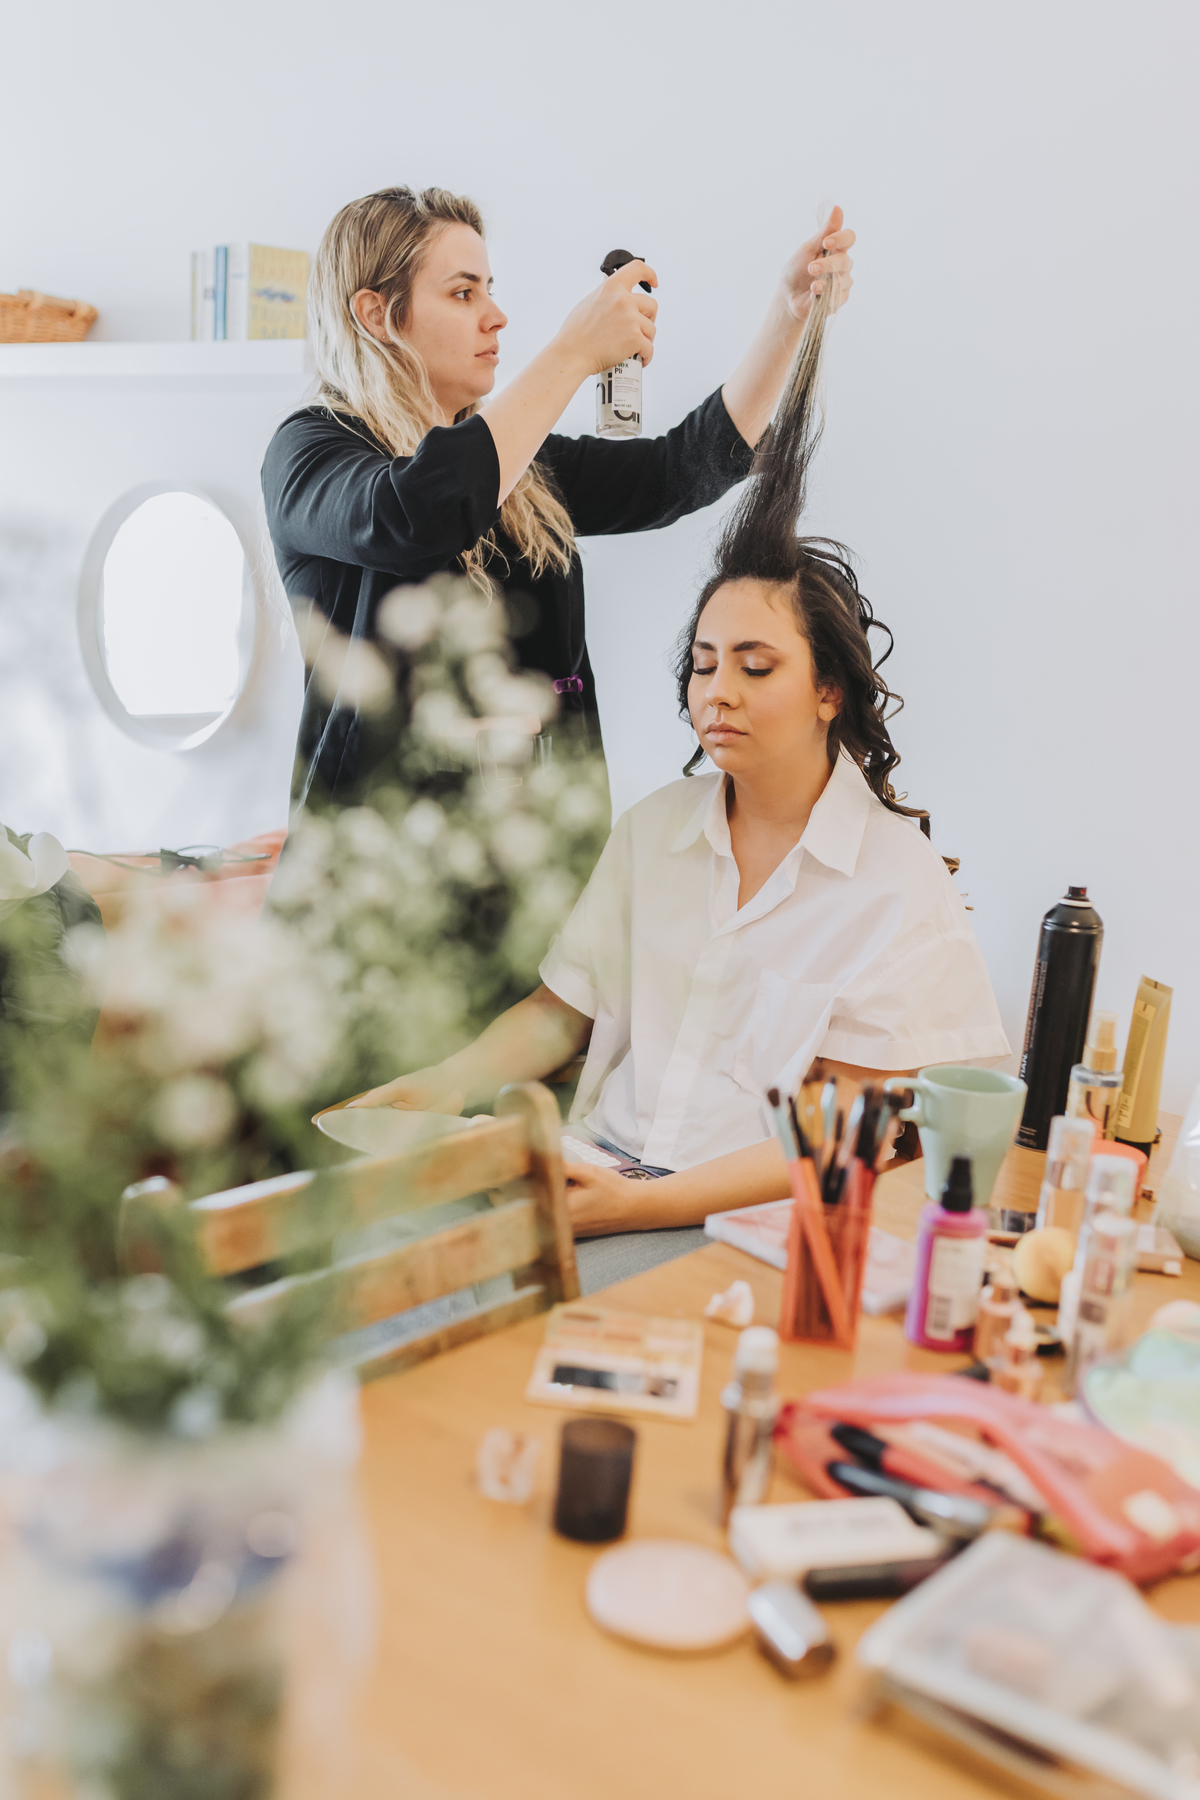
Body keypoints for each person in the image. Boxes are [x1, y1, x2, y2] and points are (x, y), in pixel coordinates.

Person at [343, 283, 1010, 1249]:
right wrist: (440, 1088)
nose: (717, 693)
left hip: (730, 1235)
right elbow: (558, 1012)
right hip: (588, 1183)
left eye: (755, 666)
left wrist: (638, 1208)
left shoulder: (894, 887)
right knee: (370, 1265)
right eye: (702, 665)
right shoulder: (656, 832)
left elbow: (842, 1134)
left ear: (830, 690)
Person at [261, 185, 855, 807]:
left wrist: (790, 316)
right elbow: (418, 514)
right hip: (380, 872)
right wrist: (572, 353)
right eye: (464, 293)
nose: (495, 316)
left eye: (490, 289)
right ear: (377, 314)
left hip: (539, 863)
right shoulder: (311, 452)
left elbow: (682, 468)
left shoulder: (523, 466)